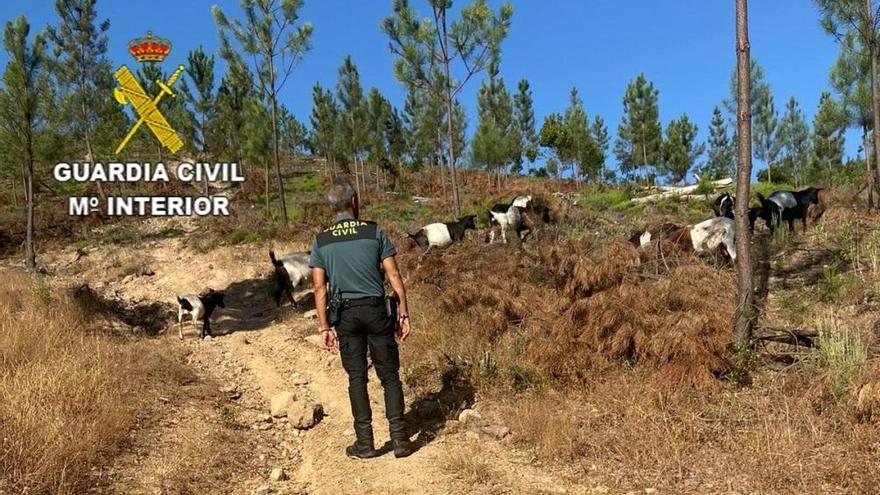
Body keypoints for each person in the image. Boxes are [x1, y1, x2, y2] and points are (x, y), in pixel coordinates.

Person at [309, 177, 416, 459]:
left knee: (357, 378)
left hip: (345, 315)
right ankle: (401, 439)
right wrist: (403, 311)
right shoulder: (374, 232)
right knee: (390, 376)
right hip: (376, 310)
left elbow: (319, 287)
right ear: (354, 203)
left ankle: (365, 443)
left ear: (331, 208)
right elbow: (394, 275)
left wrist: (324, 326)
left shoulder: (321, 241)